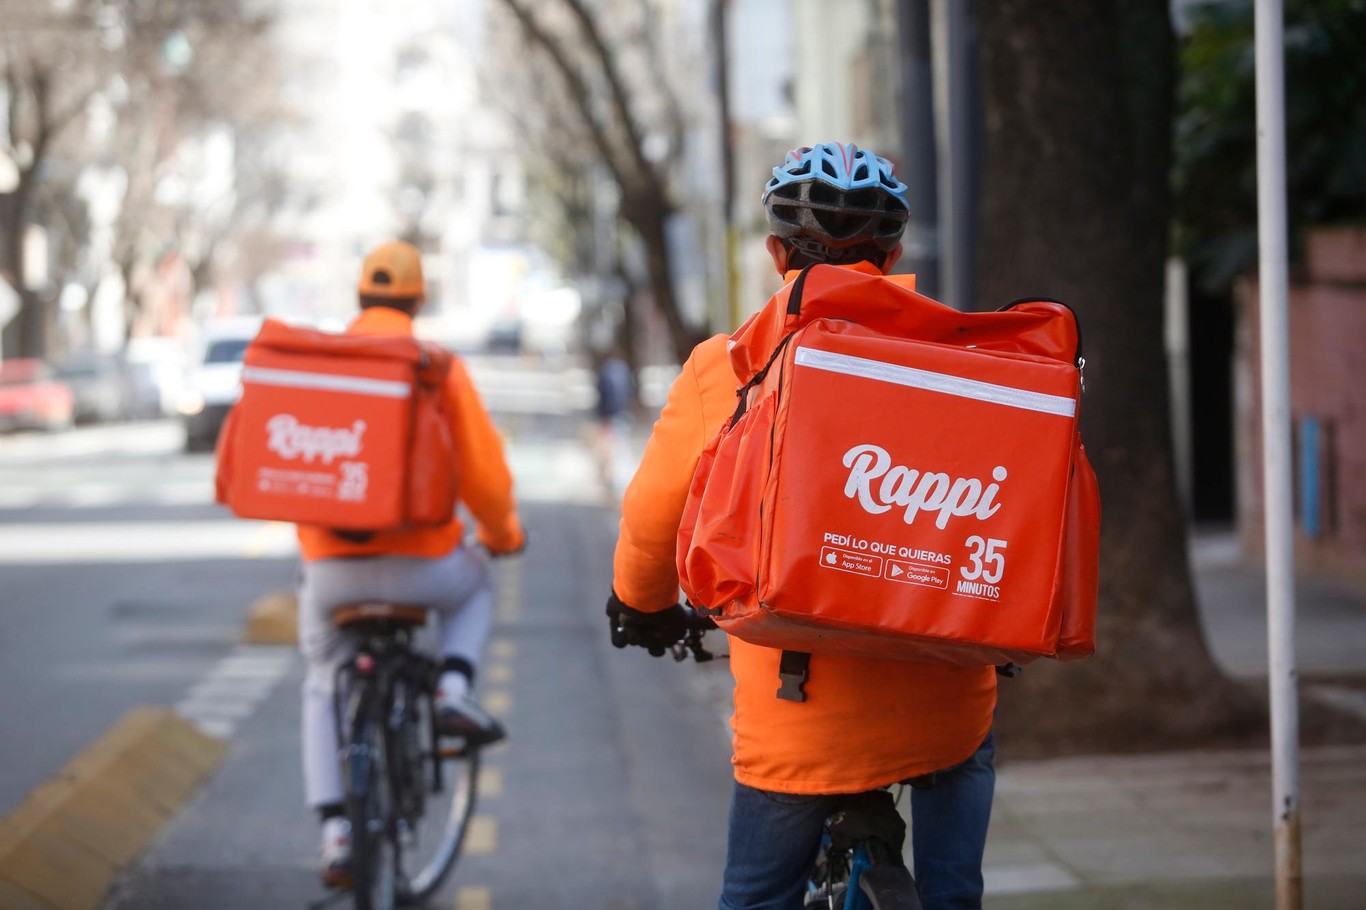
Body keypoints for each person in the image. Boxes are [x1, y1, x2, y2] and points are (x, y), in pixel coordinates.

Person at [606, 144, 997, 910]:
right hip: (943, 696)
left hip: (798, 719)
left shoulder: (725, 369)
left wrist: (641, 603)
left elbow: (653, 518)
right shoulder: (967, 362)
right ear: (893, 252)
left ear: (776, 252)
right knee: (957, 884)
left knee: (754, 898)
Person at [297, 240, 526, 887]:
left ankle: (337, 833)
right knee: (478, 588)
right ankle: (453, 687)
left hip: (330, 572)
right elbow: (483, 473)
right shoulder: (434, 366)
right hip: (425, 564)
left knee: (322, 680)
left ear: (359, 298)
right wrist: (502, 534)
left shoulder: (320, 363)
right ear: (417, 300)